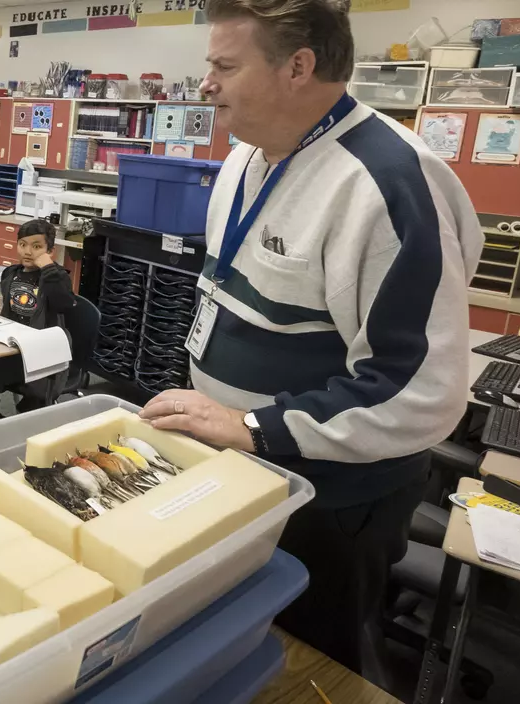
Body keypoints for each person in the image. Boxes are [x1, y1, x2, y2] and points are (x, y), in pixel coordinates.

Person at [137, 0, 481, 677]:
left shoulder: (385, 181)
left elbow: (420, 390)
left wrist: (255, 426)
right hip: (248, 466)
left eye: (224, 65)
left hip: (333, 499)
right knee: (238, 641)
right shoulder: (245, 158)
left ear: (298, 66)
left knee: (318, 664)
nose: (205, 82)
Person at [0, 218, 74, 412]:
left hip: (42, 349)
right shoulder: (11, 273)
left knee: (34, 401)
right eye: (22, 245)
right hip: (14, 345)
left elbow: (63, 303)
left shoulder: (55, 277)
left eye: (37, 246)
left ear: (50, 252)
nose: (28, 252)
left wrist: (48, 268)